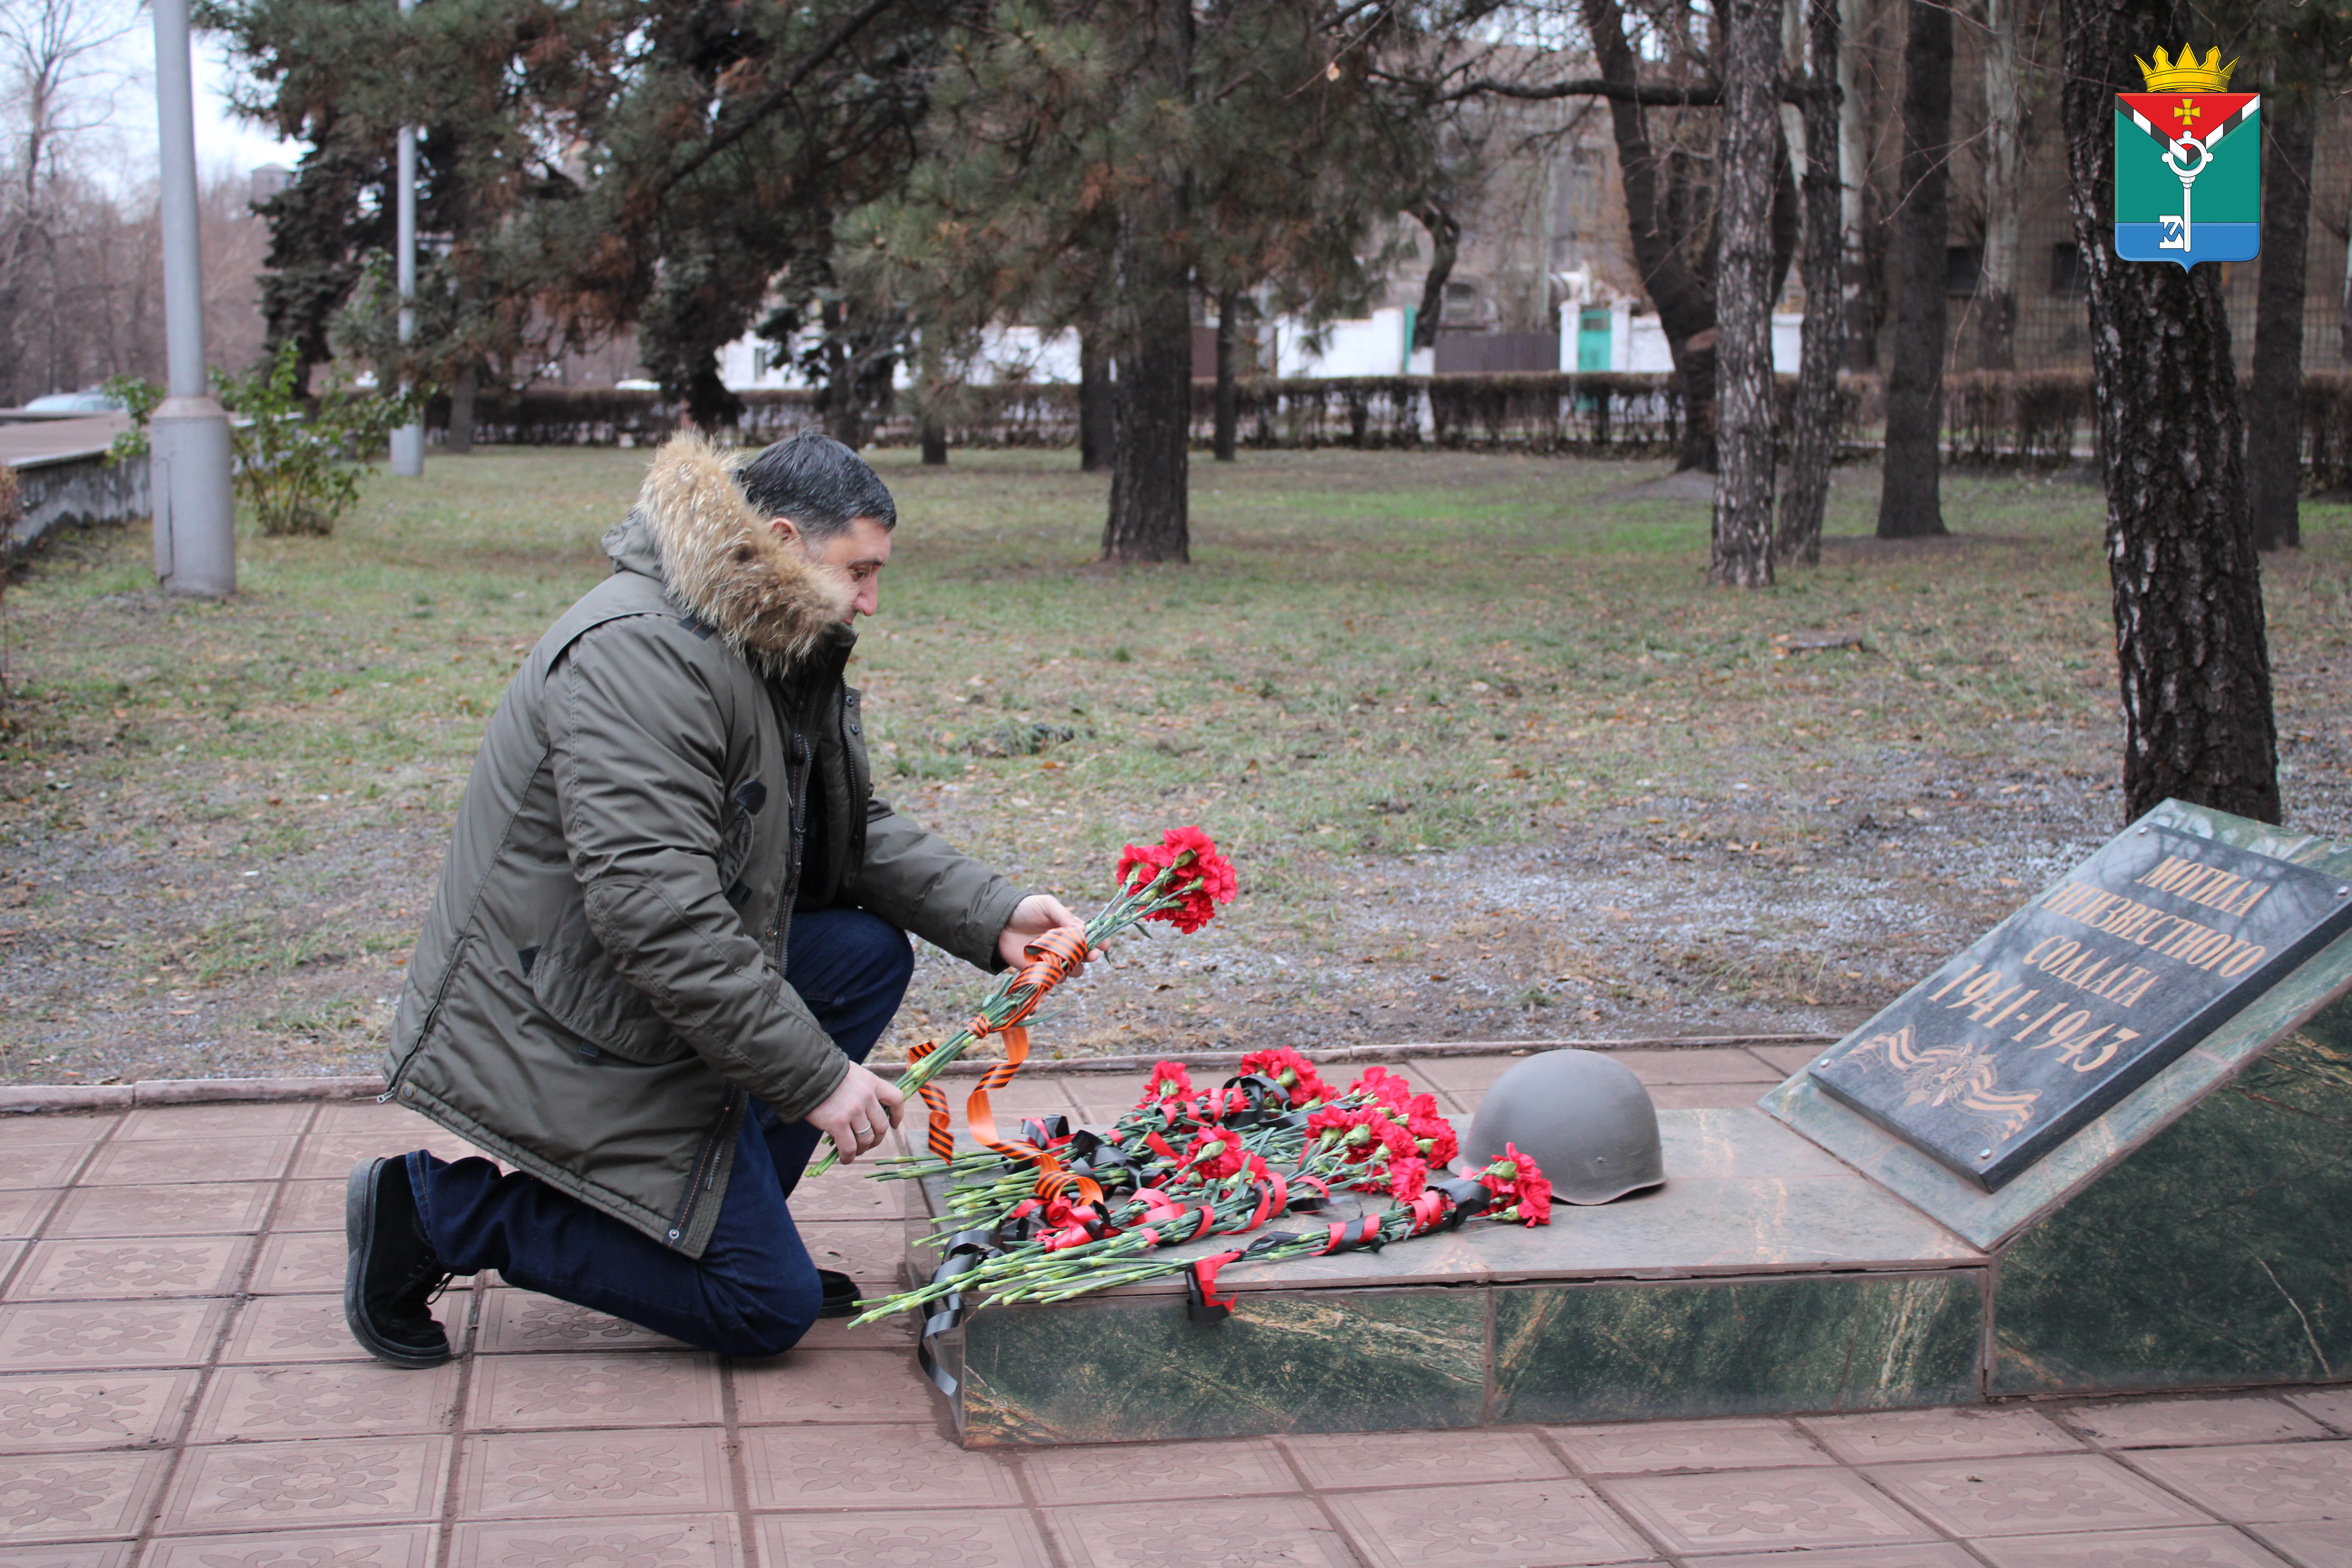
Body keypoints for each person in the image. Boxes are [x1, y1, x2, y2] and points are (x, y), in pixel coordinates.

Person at [345, 427, 1087, 1366]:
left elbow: (838, 826)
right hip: (562, 1011)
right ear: (782, 539)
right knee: (758, 1308)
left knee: (864, 955)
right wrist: (817, 1078)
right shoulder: (642, 654)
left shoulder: (753, 626)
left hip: (623, 986)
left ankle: (704, 1230)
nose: (869, 599)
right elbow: (660, 919)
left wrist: (995, 910)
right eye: (859, 571)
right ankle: (438, 1213)